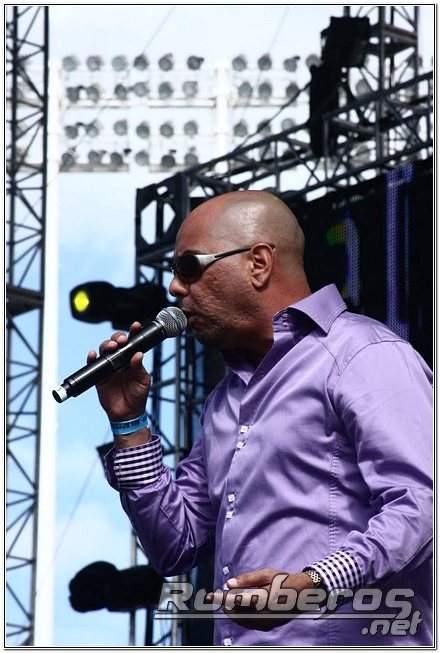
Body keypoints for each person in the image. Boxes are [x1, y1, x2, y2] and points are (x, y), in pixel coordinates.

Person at [90, 191, 432, 646]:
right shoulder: (224, 400)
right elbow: (175, 545)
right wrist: (130, 425)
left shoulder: (362, 354)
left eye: (189, 267)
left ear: (259, 264)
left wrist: (314, 584)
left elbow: (423, 506)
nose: (174, 288)